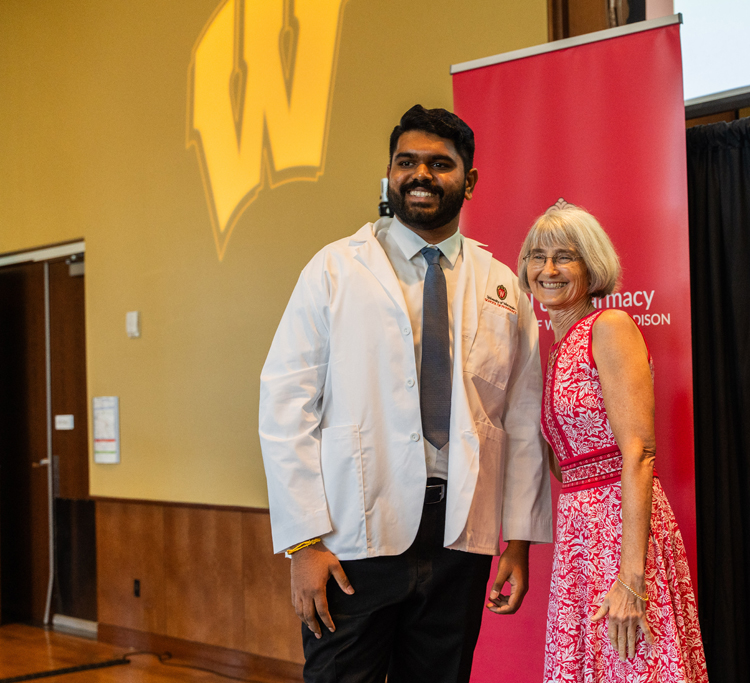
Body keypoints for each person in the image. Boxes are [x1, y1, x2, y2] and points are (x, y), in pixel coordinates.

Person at [259, 105, 551, 683]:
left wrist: (516, 540)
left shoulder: (502, 287)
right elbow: (284, 406)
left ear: (468, 181)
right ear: (389, 174)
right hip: (352, 540)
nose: (421, 175)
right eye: (406, 162)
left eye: (440, 164)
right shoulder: (335, 270)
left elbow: (518, 421)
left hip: (457, 538)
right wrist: (304, 544)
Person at [518, 207, 708, 682]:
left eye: (565, 258)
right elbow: (569, 466)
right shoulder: (560, 344)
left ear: (592, 267)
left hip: (619, 537)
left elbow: (639, 452)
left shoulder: (609, 327)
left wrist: (632, 578)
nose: (548, 270)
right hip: (579, 539)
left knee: (634, 665)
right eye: (537, 257)